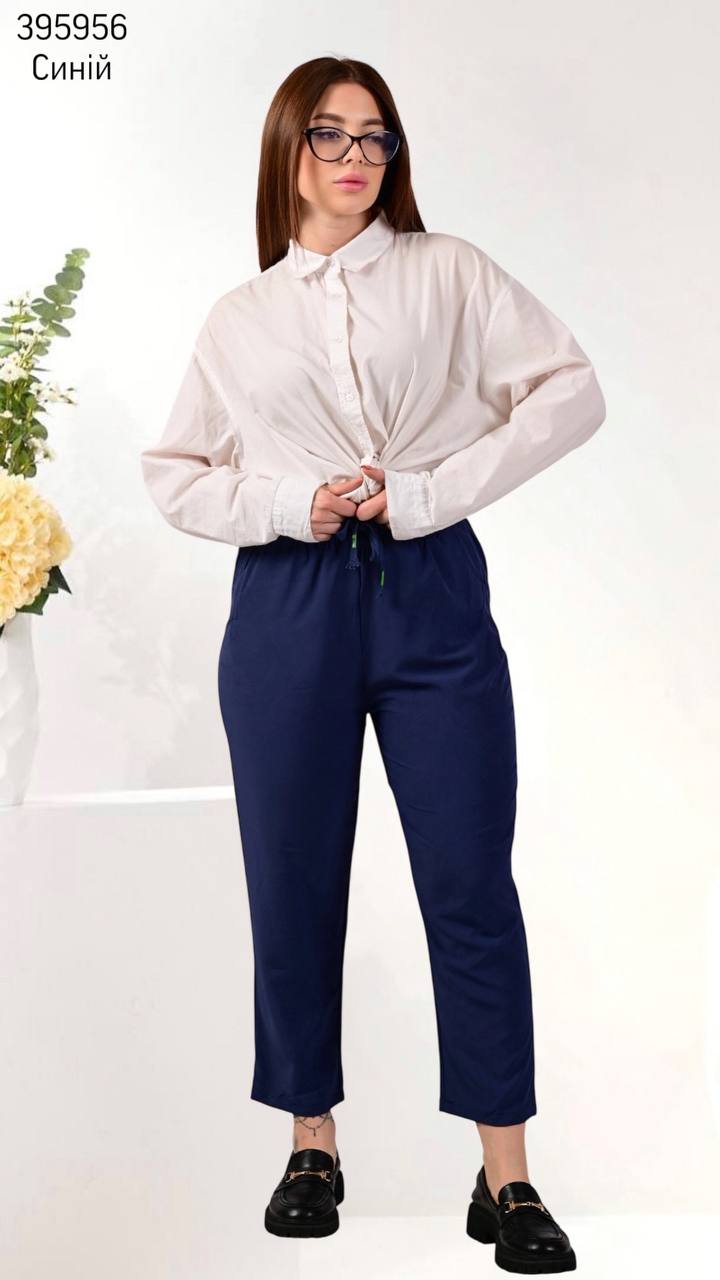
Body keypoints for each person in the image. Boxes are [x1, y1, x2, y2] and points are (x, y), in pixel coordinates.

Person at [140, 54, 605, 1274]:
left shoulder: (447, 271)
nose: (355, 157)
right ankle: (311, 1141)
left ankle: (506, 1173)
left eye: (376, 137)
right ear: (286, 150)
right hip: (287, 602)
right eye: (329, 135)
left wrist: (429, 491)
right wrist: (288, 502)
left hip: (431, 589)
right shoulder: (240, 318)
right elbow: (174, 472)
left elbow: (570, 390)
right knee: (292, 876)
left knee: (469, 876)